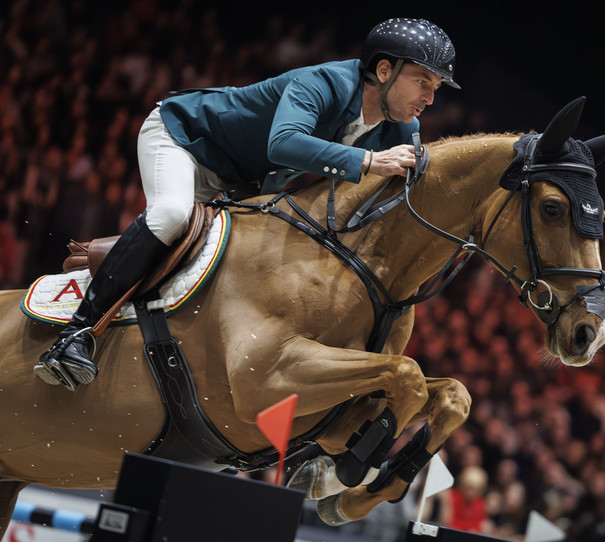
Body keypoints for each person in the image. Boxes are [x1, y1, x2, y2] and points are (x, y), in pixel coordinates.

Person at [34, 17, 460, 389]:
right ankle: (76, 334)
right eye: (423, 82)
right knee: (171, 214)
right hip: (185, 140)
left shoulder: (402, 129)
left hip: (239, 185)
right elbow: (284, 143)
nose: (429, 98)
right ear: (384, 70)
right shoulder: (324, 83)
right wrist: (368, 160)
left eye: (436, 88)